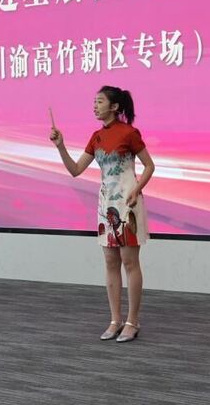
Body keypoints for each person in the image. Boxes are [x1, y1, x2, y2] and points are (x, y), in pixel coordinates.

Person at [50, 86, 155, 342]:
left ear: (115, 107)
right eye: (94, 102)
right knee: (110, 262)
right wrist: (60, 146)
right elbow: (76, 169)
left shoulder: (129, 133)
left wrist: (136, 189)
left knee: (130, 262)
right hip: (106, 204)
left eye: (99, 101)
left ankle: (132, 321)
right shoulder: (96, 137)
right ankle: (115, 320)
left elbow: (149, 166)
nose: (95, 106)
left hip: (127, 203)